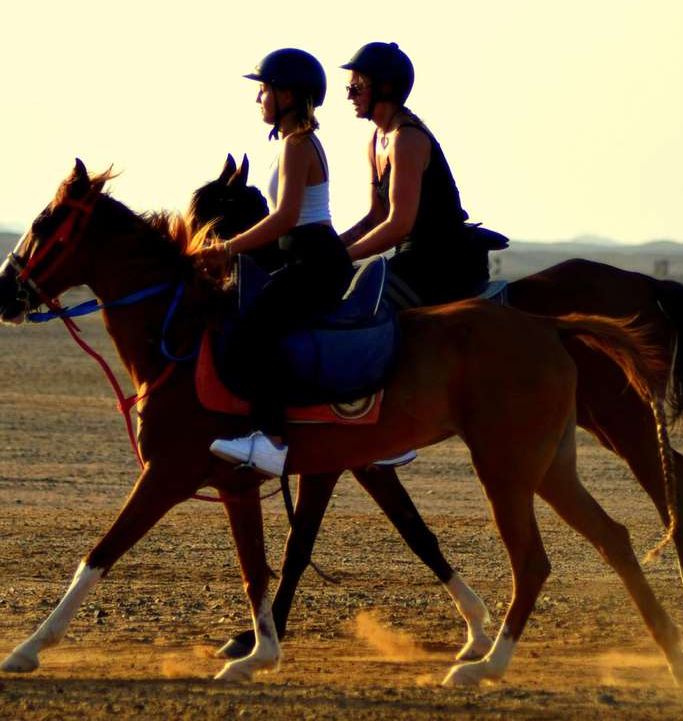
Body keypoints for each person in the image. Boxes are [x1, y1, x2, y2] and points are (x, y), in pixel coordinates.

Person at [202, 48, 352, 476]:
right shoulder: (293, 143)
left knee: (253, 330)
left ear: (287, 94)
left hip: (315, 262)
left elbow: (284, 218)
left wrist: (227, 248)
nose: (258, 99)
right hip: (307, 258)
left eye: (263, 90)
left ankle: (272, 440)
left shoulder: (298, 144)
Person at [338, 42, 501, 309]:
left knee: (358, 305)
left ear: (385, 88)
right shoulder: (376, 139)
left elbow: (397, 226)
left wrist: (341, 259)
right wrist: (330, 250)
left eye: (356, 88)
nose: (349, 97)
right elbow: (376, 218)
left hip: (440, 263)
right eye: (349, 89)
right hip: (409, 260)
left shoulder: (407, 139)